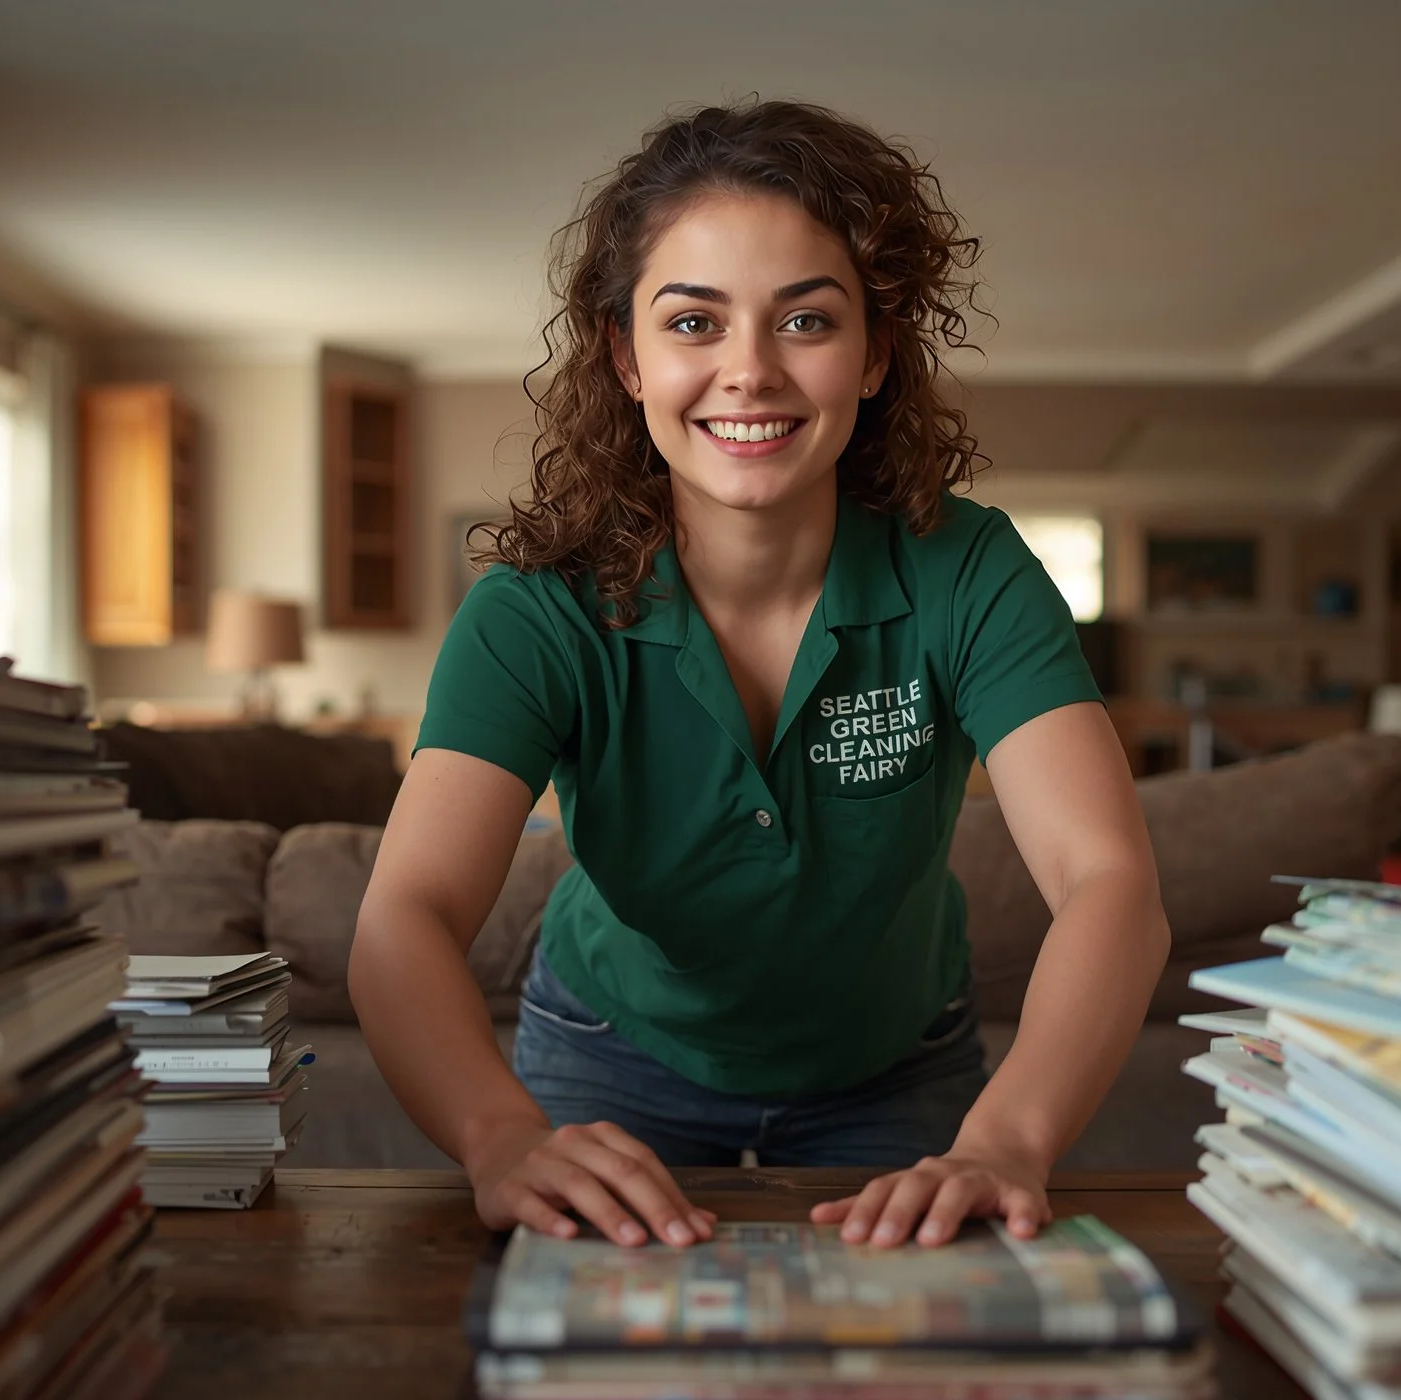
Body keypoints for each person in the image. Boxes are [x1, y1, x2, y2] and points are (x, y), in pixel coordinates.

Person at [350, 100, 1169, 1253]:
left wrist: (1009, 1138)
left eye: (806, 319)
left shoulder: (969, 569)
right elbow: (405, 914)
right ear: (626, 357)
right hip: (606, 1043)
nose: (749, 371)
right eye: (694, 321)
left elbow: (1108, 878)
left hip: (895, 1061)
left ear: (877, 350)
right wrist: (497, 1135)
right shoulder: (532, 610)